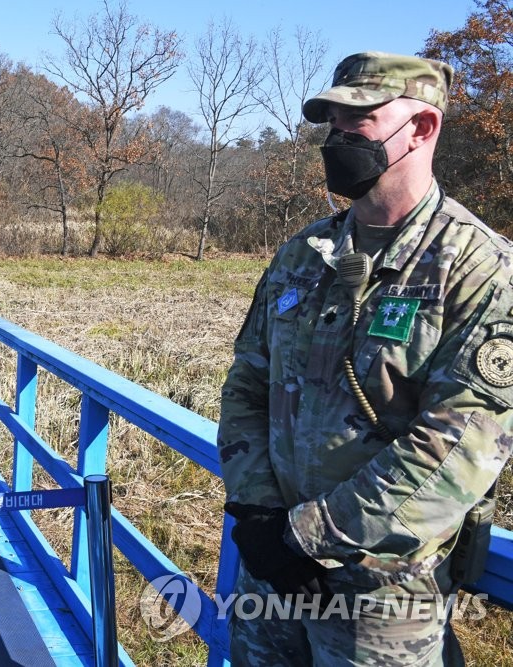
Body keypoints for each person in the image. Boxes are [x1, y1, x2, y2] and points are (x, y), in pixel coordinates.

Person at [217, 52, 513, 665]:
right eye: (331, 124)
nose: (337, 139)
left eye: (359, 121)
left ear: (422, 129)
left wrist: (306, 538)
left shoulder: (481, 270)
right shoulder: (305, 254)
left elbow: (457, 450)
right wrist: (257, 512)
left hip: (383, 598)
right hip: (270, 569)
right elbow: (247, 382)